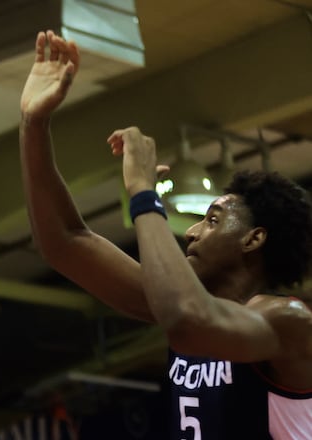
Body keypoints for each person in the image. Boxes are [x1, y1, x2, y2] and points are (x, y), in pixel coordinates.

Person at [19, 30, 312, 439]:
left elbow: (188, 322)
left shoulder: (287, 320)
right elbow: (64, 241)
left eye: (211, 220)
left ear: (254, 239)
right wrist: (34, 122)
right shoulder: (187, 306)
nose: (190, 232)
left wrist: (143, 196)